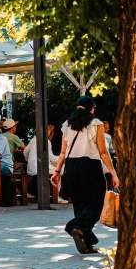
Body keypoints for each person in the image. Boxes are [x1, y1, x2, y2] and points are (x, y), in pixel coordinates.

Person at [50, 96, 119, 254]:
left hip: (71, 167)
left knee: (80, 205)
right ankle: (75, 226)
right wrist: (114, 173)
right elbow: (103, 151)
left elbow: (62, 152)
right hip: (90, 165)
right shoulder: (96, 123)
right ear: (91, 108)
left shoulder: (67, 125)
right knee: (97, 201)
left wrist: (57, 172)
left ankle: (86, 243)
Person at [23, 124, 67, 204]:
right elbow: (51, 158)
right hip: (41, 168)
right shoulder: (47, 142)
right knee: (59, 170)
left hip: (31, 168)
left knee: (56, 168)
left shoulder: (33, 139)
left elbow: (25, 152)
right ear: (50, 133)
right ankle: (56, 195)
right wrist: (61, 159)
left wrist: (29, 160)